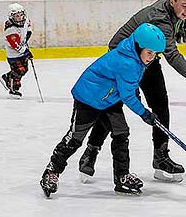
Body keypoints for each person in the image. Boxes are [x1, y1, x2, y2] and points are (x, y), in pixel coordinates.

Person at [78, 0, 186, 183]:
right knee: (112, 107)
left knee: (160, 104)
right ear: (172, 1)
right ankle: (91, 151)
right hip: (124, 59)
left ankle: (160, 157)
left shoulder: (174, 10)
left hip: (146, 57)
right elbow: (171, 53)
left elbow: (177, 38)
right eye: (184, 6)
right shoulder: (160, 17)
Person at [40, 23, 166, 197]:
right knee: (75, 138)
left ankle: (121, 176)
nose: (151, 58)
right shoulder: (127, 63)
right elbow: (128, 96)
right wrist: (145, 113)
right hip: (88, 98)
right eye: (149, 52)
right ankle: (52, 170)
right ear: (138, 47)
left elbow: (129, 89)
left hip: (109, 100)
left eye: (155, 54)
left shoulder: (135, 59)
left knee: (121, 133)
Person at [0, 3, 33, 98]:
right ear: (11, 17)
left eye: (21, 15)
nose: (20, 17)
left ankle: (7, 78)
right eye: (17, 16)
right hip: (13, 55)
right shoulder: (11, 30)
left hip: (22, 51)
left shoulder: (25, 20)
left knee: (24, 70)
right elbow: (15, 46)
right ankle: (13, 88)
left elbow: (28, 27)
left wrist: (28, 34)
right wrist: (26, 52)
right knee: (19, 70)